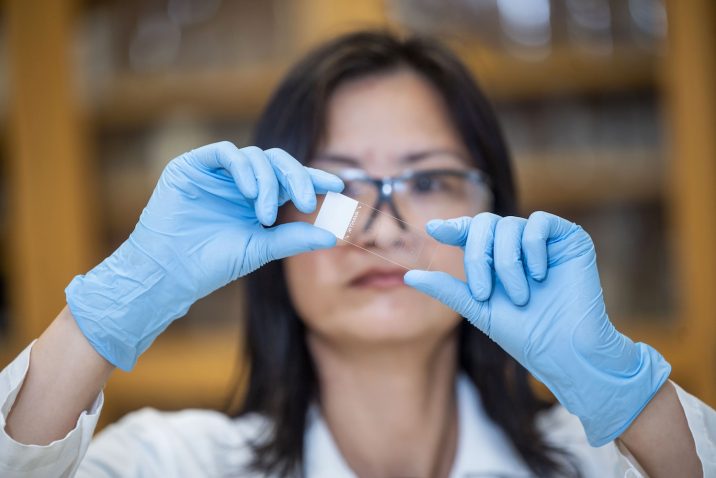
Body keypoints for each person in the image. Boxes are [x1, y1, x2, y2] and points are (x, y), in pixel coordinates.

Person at [0, 31, 714, 478]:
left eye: (429, 179)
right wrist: (111, 305)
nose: (384, 223)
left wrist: (633, 400)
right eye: (338, 185)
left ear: (495, 213)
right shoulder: (175, 463)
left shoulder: (607, 465)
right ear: (269, 223)